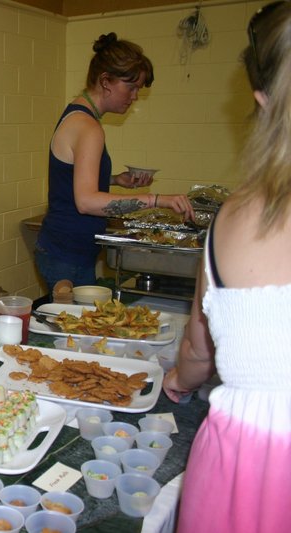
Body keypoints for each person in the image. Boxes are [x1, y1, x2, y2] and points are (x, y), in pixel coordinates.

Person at [162, 3, 291, 531]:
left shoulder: (234, 217)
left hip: (245, 464)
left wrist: (176, 380)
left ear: (261, 98)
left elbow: (199, 348)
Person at [35, 33, 195, 295]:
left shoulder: (77, 114)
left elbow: (72, 175)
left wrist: (115, 180)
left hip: (65, 249)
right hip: (66, 255)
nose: (134, 97)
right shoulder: (89, 127)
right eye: (130, 87)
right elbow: (85, 201)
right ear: (105, 80)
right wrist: (156, 199)